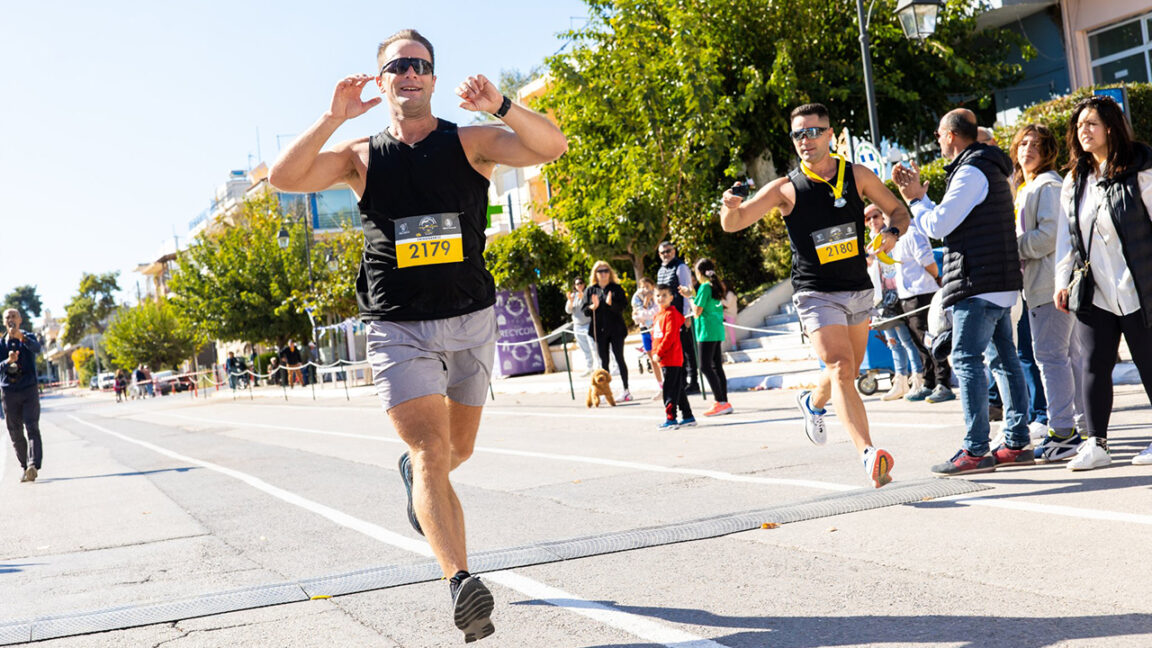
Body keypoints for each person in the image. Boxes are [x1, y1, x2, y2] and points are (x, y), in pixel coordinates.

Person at [268, 28, 566, 642]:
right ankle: (462, 582)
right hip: (397, 324)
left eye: (420, 65)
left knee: (457, 453)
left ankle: (416, 481)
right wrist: (331, 118)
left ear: (433, 78)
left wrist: (502, 106)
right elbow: (284, 178)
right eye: (397, 66)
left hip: (470, 317)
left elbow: (552, 147)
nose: (409, 73)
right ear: (382, 81)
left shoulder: (473, 140)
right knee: (433, 453)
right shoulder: (363, 156)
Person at [720, 102, 905, 489]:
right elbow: (735, 224)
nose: (805, 140)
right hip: (815, 292)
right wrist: (728, 206)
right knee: (840, 367)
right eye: (798, 134)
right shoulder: (785, 188)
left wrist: (891, 233)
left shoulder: (856, 176)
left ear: (831, 135)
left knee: (848, 371)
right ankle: (869, 454)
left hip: (856, 287)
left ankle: (812, 402)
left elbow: (897, 211)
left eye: (813, 131)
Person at [893, 109, 1031, 475]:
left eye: (939, 134)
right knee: (1004, 360)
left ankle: (975, 449)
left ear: (952, 135)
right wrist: (921, 196)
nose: (938, 140)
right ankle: (1016, 441)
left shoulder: (971, 171)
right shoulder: (988, 168)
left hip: (978, 282)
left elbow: (939, 225)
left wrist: (915, 200)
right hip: (996, 282)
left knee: (966, 360)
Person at [1053, 95, 1152, 470]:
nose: (1084, 131)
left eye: (1091, 124)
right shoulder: (1076, 180)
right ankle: (1096, 443)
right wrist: (1062, 279)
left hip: (1139, 283)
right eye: (1079, 126)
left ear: (1111, 126)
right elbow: (1067, 238)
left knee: (1148, 360)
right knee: (1093, 363)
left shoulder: (1140, 167)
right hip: (1095, 287)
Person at [1006, 123, 1087, 463]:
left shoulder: (1047, 185)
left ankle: (1064, 432)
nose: (1028, 149)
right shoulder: (1028, 186)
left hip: (1049, 284)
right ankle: (1085, 426)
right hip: (1044, 284)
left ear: (1049, 150)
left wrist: (1009, 247)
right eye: (1022, 143)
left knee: (1052, 358)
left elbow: (1049, 237)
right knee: (1069, 357)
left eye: (1036, 144)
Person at [891, 199, 952, 404]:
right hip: (907, 295)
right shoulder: (895, 238)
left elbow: (927, 260)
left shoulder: (913, 232)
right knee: (919, 344)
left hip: (922, 293)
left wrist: (937, 278)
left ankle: (943, 382)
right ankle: (929, 382)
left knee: (931, 340)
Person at [864, 204, 920, 401]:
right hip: (880, 299)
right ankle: (901, 380)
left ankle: (918, 378)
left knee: (905, 340)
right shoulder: (870, 244)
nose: (872, 221)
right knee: (893, 342)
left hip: (896, 295)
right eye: (868, 218)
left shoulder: (891, 237)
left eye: (876, 216)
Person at [679, 258, 733, 416]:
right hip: (716, 329)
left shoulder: (704, 287)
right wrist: (692, 294)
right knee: (716, 366)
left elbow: (697, 311)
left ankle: (720, 402)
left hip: (707, 331)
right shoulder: (714, 286)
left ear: (699, 273)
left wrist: (689, 297)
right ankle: (723, 400)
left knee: (704, 366)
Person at [2, 308, 43, 483]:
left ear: (20, 320)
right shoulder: (1, 343)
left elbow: (37, 348)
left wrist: (21, 337)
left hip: (28, 389)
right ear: (4, 322)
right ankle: (25, 467)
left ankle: (33, 464)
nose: (11, 319)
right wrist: (7, 362)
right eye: (7, 317)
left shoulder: (28, 337)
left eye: (14, 316)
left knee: (32, 426)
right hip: (9, 392)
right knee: (15, 431)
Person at [583, 260, 632, 402]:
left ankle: (626, 390)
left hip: (616, 329)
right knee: (603, 362)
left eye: (606, 271)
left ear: (610, 273)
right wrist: (593, 306)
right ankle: (605, 391)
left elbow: (623, 306)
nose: (603, 274)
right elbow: (584, 311)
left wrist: (611, 304)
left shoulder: (616, 288)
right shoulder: (591, 290)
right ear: (595, 274)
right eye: (600, 271)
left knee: (619, 358)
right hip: (600, 330)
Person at [656, 241, 700, 394]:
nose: (666, 254)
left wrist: (687, 314)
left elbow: (687, 289)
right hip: (667, 316)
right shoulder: (661, 270)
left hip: (681, 314)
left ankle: (693, 382)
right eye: (663, 252)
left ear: (674, 251)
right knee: (675, 349)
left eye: (668, 251)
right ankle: (680, 382)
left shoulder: (681, 267)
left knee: (687, 349)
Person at [652, 284, 695, 429]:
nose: (661, 298)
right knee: (678, 388)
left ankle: (671, 418)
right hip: (664, 359)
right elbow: (655, 337)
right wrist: (654, 352)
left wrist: (660, 352)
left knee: (669, 390)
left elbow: (669, 336)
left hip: (672, 358)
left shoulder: (671, 314)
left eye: (664, 295)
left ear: (671, 297)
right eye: (658, 295)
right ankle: (688, 416)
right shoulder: (658, 316)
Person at [631, 277, 663, 388]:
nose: (645, 290)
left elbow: (655, 312)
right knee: (652, 358)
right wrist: (645, 304)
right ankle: (660, 384)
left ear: (652, 287)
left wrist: (643, 314)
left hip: (656, 329)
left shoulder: (657, 296)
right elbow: (636, 317)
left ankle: (668, 380)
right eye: (642, 287)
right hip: (645, 331)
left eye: (647, 287)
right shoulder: (636, 298)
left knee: (660, 357)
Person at [565, 277, 595, 376]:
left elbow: (590, 306)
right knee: (584, 348)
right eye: (577, 284)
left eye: (581, 283)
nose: (579, 285)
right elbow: (568, 311)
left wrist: (583, 298)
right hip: (578, 326)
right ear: (575, 286)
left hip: (588, 324)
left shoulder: (588, 293)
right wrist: (570, 301)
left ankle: (598, 366)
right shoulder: (573, 296)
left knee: (593, 346)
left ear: (584, 284)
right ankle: (589, 367)